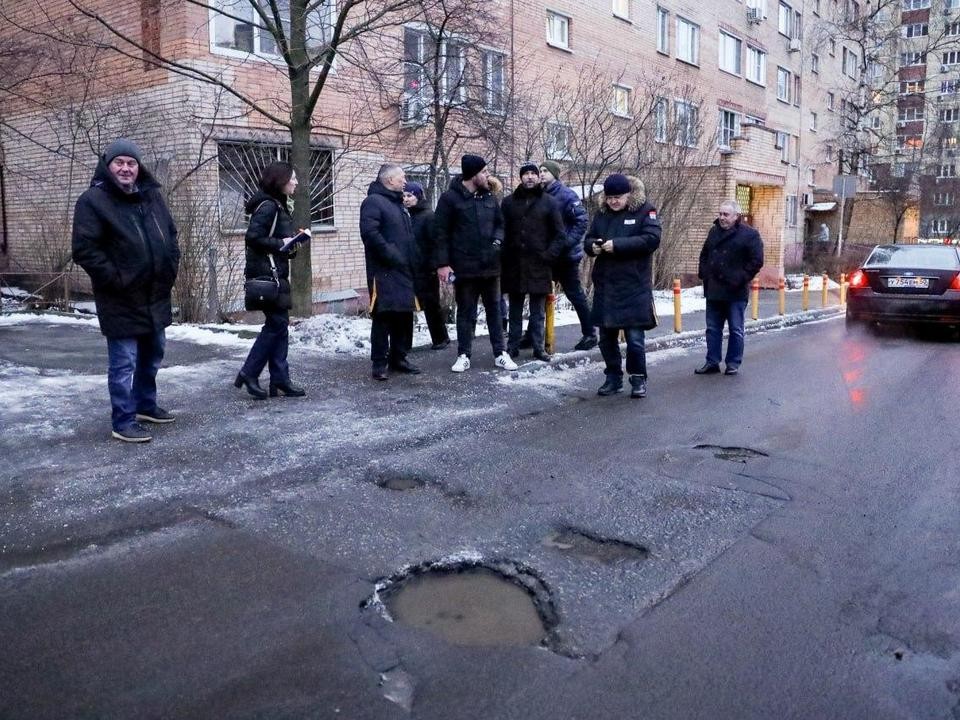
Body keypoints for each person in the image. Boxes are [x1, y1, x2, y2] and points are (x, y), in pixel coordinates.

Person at [72, 138, 181, 443]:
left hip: (155, 293)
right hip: (120, 297)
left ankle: (145, 405)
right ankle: (122, 420)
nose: (125, 168)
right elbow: (84, 249)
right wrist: (116, 278)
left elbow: (171, 236)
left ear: (138, 167)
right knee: (124, 363)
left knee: (153, 354)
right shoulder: (93, 201)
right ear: (108, 166)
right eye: (119, 162)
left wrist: (170, 266)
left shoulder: (152, 197)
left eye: (131, 163)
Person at [435, 154, 518, 373]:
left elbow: (500, 224)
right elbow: (440, 233)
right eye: (484, 171)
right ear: (473, 175)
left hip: (491, 267)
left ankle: (500, 353)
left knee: (495, 311)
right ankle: (463, 355)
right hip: (464, 267)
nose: (487, 175)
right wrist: (443, 264)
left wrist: (497, 242)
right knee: (466, 312)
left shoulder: (489, 197)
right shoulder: (449, 199)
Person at [235, 161, 309, 399]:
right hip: (268, 276)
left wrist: (291, 244)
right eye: (293, 178)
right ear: (280, 180)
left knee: (280, 327)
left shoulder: (279, 205)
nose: (296, 182)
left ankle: (280, 379)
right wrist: (281, 244)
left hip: (275, 272)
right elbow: (253, 238)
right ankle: (249, 372)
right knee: (276, 325)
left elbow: (273, 240)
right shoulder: (268, 206)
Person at [584, 173, 661, 399]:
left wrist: (617, 245)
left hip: (634, 285)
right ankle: (613, 377)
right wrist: (593, 247)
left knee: (635, 339)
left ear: (628, 195)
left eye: (618, 197)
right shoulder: (602, 214)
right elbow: (589, 238)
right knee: (606, 339)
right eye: (609, 198)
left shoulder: (645, 211)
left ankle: (638, 378)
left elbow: (651, 239)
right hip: (606, 285)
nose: (613, 202)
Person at [501, 162, 566, 361]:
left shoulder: (549, 202)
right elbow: (501, 231)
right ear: (520, 178)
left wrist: (549, 255)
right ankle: (512, 347)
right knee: (515, 309)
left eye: (533, 173)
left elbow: (560, 235)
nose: (529, 177)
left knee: (538, 311)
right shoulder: (508, 202)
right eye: (526, 174)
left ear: (538, 177)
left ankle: (538, 348)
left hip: (540, 264)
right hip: (514, 264)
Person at [360, 164, 420, 381]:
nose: (405, 182)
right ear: (388, 180)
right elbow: (370, 234)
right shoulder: (373, 202)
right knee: (383, 316)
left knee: (403, 314)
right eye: (401, 178)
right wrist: (392, 254)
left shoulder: (398, 204)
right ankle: (379, 362)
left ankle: (399, 357)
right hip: (383, 270)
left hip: (404, 269)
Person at [695, 199, 764, 376]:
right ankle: (712, 361)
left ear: (736, 216)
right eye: (720, 214)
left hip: (735, 291)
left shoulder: (750, 235)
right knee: (712, 328)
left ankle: (733, 363)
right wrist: (704, 273)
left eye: (726, 214)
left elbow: (756, 261)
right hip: (714, 290)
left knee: (736, 329)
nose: (722, 218)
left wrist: (740, 278)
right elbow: (705, 254)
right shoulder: (714, 231)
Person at [539, 160, 596, 350]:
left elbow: (581, 221)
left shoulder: (566, 195)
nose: (541, 174)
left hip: (565, 257)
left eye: (546, 171)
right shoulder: (539, 194)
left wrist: (567, 243)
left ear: (555, 174)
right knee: (538, 295)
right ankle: (533, 335)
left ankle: (590, 334)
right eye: (540, 170)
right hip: (545, 256)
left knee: (575, 294)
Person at [404, 181, 450, 350]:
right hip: (411, 268)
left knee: (431, 305)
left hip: (426, 269)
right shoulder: (407, 216)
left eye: (410, 195)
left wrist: (435, 266)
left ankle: (441, 338)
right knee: (408, 306)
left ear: (418, 196)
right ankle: (405, 343)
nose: (406, 199)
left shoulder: (428, 216)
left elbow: (435, 243)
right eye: (404, 196)